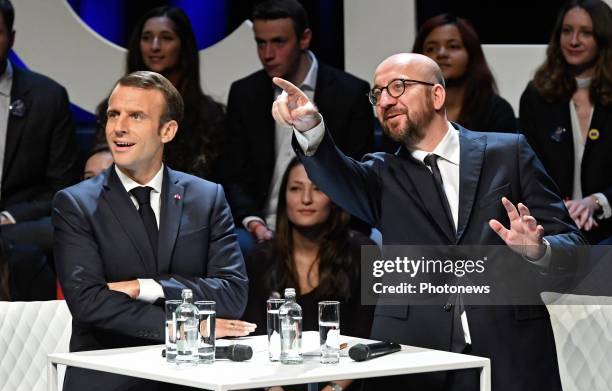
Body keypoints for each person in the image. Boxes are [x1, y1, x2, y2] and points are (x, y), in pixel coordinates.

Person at [271, 53, 585, 391]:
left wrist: (539, 250)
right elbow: (336, 175)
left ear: (437, 96)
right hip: (431, 369)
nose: (386, 100)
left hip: (513, 364)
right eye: (377, 94)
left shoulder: (508, 152)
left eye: (398, 87)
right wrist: (311, 130)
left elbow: (574, 245)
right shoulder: (382, 175)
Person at [53, 71, 248, 391]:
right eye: (114, 114)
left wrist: (146, 287)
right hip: (109, 385)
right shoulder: (75, 204)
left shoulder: (206, 198)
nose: (119, 127)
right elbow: (88, 302)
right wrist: (189, 326)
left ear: (167, 131)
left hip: (192, 384)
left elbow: (232, 293)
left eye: (136, 116)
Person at [223, 0, 374, 244]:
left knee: (362, 248)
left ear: (304, 39)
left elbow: (360, 172)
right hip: (265, 225)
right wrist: (253, 222)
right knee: (238, 245)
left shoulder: (350, 92)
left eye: (279, 42)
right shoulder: (245, 92)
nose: (268, 54)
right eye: (261, 43)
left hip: (332, 223)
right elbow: (234, 174)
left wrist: (337, 227)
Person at [243, 157, 379, 391]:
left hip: (346, 388)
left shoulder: (364, 252)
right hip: (276, 388)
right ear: (284, 197)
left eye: (318, 188)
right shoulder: (260, 258)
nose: (306, 199)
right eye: (295, 189)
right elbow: (256, 335)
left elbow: (368, 337)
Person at [96, 6, 226, 181]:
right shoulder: (111, 108)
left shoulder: (209, 115)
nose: (155, 46)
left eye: (166, 38)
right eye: (147, 38)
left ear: (183, 46)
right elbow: (101, 167)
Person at [519, 0, 612, 244]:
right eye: (567, 31)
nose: (573, 41)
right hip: (553, 223)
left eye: (586, 33)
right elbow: (528, 167)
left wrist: (596, 202)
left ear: (603, 38)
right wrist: (563, 207)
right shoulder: (537, 95)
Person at [0, 0, 79, 254]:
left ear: (11, 39)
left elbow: (61, 188)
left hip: (18, 228)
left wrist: (10, 216)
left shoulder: (48, 98)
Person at [413, 13, 516, 133]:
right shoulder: (407, 110)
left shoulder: (496, 111)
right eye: (431, 48)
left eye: (453, 46)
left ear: (471, 55)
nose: (441, 54)